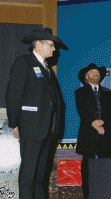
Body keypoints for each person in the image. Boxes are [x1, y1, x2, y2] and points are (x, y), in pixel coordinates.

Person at [5, 27, 67, 199]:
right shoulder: (24, 62)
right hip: (32, 127)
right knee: (29, 176)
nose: (54, 49)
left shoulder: (47, 69)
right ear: (38, 44)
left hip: (48, 130)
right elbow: (13, 95)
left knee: (41, 177)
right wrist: (14, 123)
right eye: (51, 45)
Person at [75, 63, 111, 199]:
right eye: (92, 72)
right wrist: (94, 123)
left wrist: (103, 122)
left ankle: (105, 194)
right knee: (87, 166)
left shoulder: (108, 93)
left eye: (97, 72)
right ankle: (88, 195)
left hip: (105, 133)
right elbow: (83, 111)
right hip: (88, 134)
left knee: (106, 165)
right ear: (86, 77)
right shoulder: (79, 92)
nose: (96, 74)